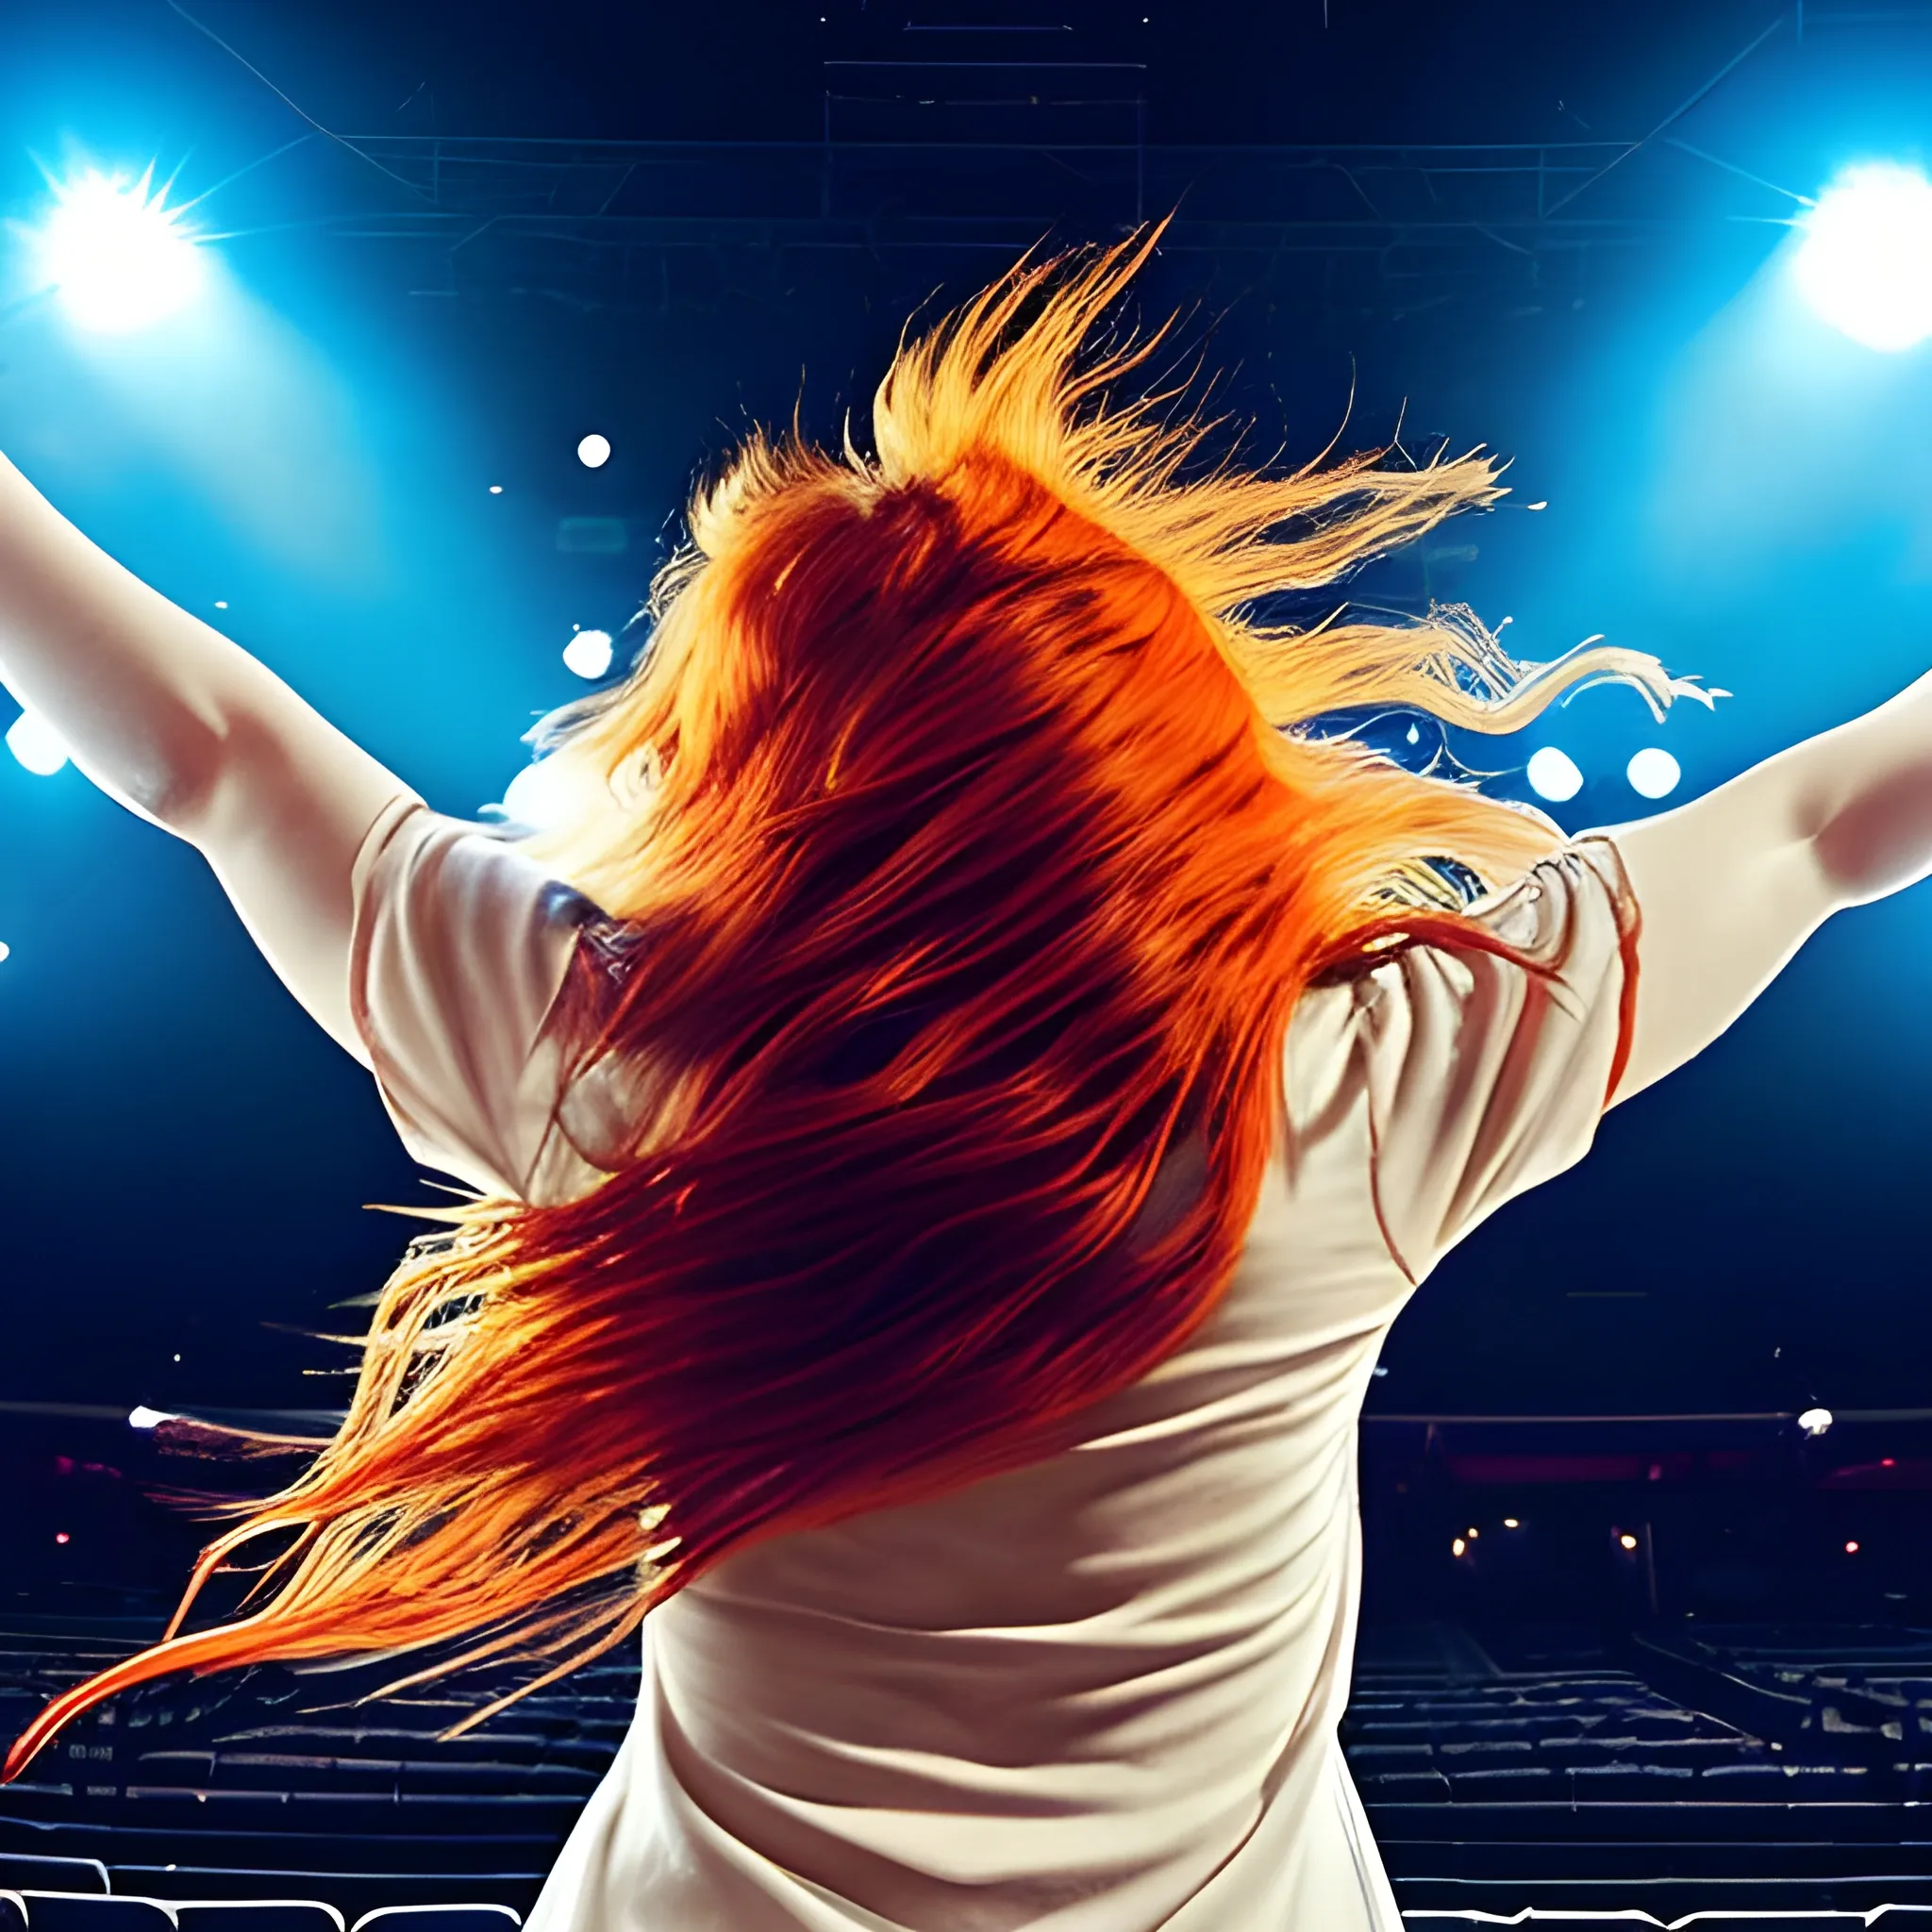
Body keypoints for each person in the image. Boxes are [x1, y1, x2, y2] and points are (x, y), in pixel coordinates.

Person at [0, 233, 1923, 1931]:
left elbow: (209, 754)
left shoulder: (622, 1061)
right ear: (1163, 771)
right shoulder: (1363, 1084)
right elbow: (1830, 823)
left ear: (775, 766)